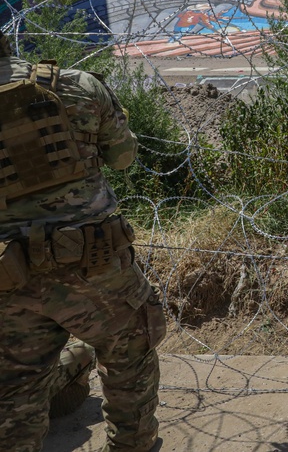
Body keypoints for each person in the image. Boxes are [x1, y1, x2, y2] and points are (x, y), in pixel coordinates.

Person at [0, 31, 165, 451]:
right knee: (130, 355)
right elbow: (124, 157)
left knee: (15, 394)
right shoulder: (77, 85)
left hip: (7, 277)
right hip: (95, 268)